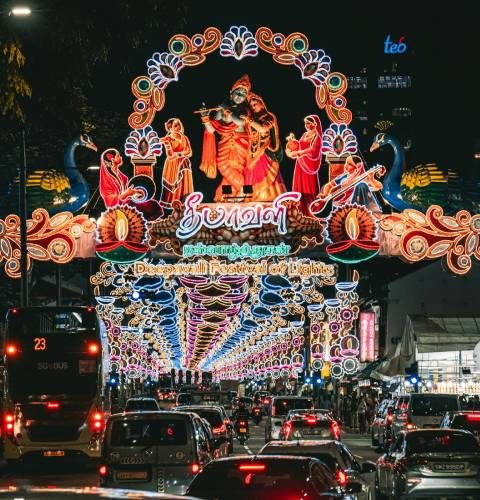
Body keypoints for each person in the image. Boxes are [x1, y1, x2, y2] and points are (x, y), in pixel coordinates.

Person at [199, 74, 251, 201]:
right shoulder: (221, 109)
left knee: (239, 169)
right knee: (223, 166)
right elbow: (212, 129)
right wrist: (205, 118)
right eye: (238, 92)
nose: (240, 96)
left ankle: (243, 191)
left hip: (240, 144)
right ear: (231, 93)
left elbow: (240, 122)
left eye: (243, 94)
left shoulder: (244, 110)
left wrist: (228, 110)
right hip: (225, 143)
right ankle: (231, 195)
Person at [243, 92, 286, 201]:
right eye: (251, 105)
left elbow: (263, 129)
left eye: (255, 104)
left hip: (266, 151)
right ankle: (252, 199)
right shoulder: (252, 118)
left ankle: (270, 199)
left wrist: (249, 120)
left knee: (266, 176)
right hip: (253, 153)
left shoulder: (269, 116)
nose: (253, 107)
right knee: (251, 175)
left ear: (261, 103)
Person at [99, 148, 162, 220]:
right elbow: (110, 203)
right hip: (117, 210)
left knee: (153, 204)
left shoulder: (122, 177)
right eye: (118, 156)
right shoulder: (106, 180)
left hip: (127, 203)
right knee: (146, 208)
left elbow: (128, 193)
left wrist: (135, 193)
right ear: (113, 160)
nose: (121, 157)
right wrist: (126, 194)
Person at [285, 114, 323, 215]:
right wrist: (291, 144)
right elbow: (298, 145)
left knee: (309, 186)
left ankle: (311, 209)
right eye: (305, 123)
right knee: (299, 185)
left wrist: (299, 153)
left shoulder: (317, 137)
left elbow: (313, 150)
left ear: (315, 124)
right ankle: (299, 209)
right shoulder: (305, 134)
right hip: (300, 164)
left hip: (310, 165)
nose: (306, 125)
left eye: (308, 123)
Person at [158, 117, 193, 209]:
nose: (179, 127)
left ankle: (185, 203)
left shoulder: (184, 137)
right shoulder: (168, 139)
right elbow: (170, 155)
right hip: (173, 165)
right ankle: (173, 204)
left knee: (185, 184)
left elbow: (189, 152)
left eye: (179, 124)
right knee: (174, 187)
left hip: (184, 164)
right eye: (176, 125)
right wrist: (167, 143)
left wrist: (178, 154)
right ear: (170, 128)